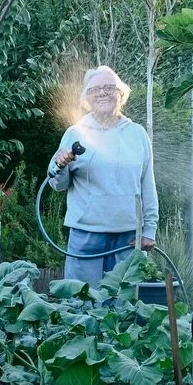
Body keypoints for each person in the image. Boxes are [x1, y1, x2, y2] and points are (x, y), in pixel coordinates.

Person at [47, 66, 159, 284]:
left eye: (109, 87)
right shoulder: (75, 133)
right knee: (82, 299)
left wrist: (149, 229)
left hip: (128, 238)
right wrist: (59, 165)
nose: (102, 93)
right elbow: (57, 184)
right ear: (87, 98)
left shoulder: (137, 134)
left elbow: (147, 185)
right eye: (95, 89)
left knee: (122, 300)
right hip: (86, 234)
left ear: (121, 94)